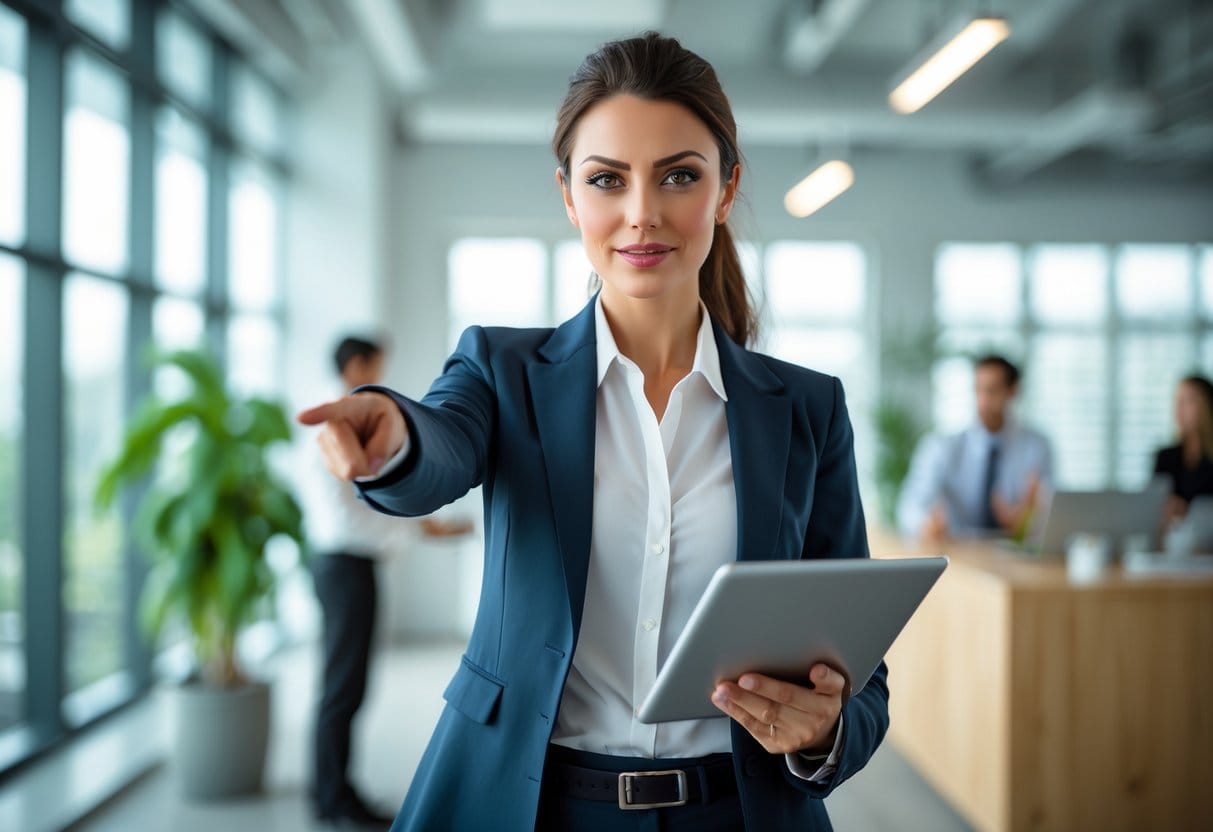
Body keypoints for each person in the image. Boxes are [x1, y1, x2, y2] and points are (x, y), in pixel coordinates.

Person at [299, 33, 886, 832]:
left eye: (679, 175)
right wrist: (391, 435)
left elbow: (861, 673)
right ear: (569, 196)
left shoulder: (807, 410)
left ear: (725, 187)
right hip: (531, 806)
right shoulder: (502, 370)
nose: (641, 214)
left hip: (736, 814)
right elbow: (437, 447)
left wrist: (825, 729)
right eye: (607, 180)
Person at [303, 336, 470, 829]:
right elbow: (352, 511)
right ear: (357, 365)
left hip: (345, 565)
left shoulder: (349, 417)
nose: (382, 375)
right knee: (342, 687)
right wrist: (420, 526)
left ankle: (333, 791)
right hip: (345, 566)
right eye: (377, 365)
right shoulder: (337, 424)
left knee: (345, 685)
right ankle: (333, 798)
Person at [897, 354, 1053, 542]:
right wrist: (926, 524)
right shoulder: (942, 446)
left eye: (992, 391)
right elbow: (909, 506)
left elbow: (1050, 513)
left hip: (1012, 552)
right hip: (957, 552)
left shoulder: (1036, 446)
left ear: (1012, 391)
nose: (983, 400)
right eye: (978, 390)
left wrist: (1028, 521)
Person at [1154, 374, 1213, 528]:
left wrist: (1188, 512)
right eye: (1178, 401)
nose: (1180, 408)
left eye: (1189, 401)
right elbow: (1151, 507)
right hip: (1173, 542)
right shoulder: (1165, 457)